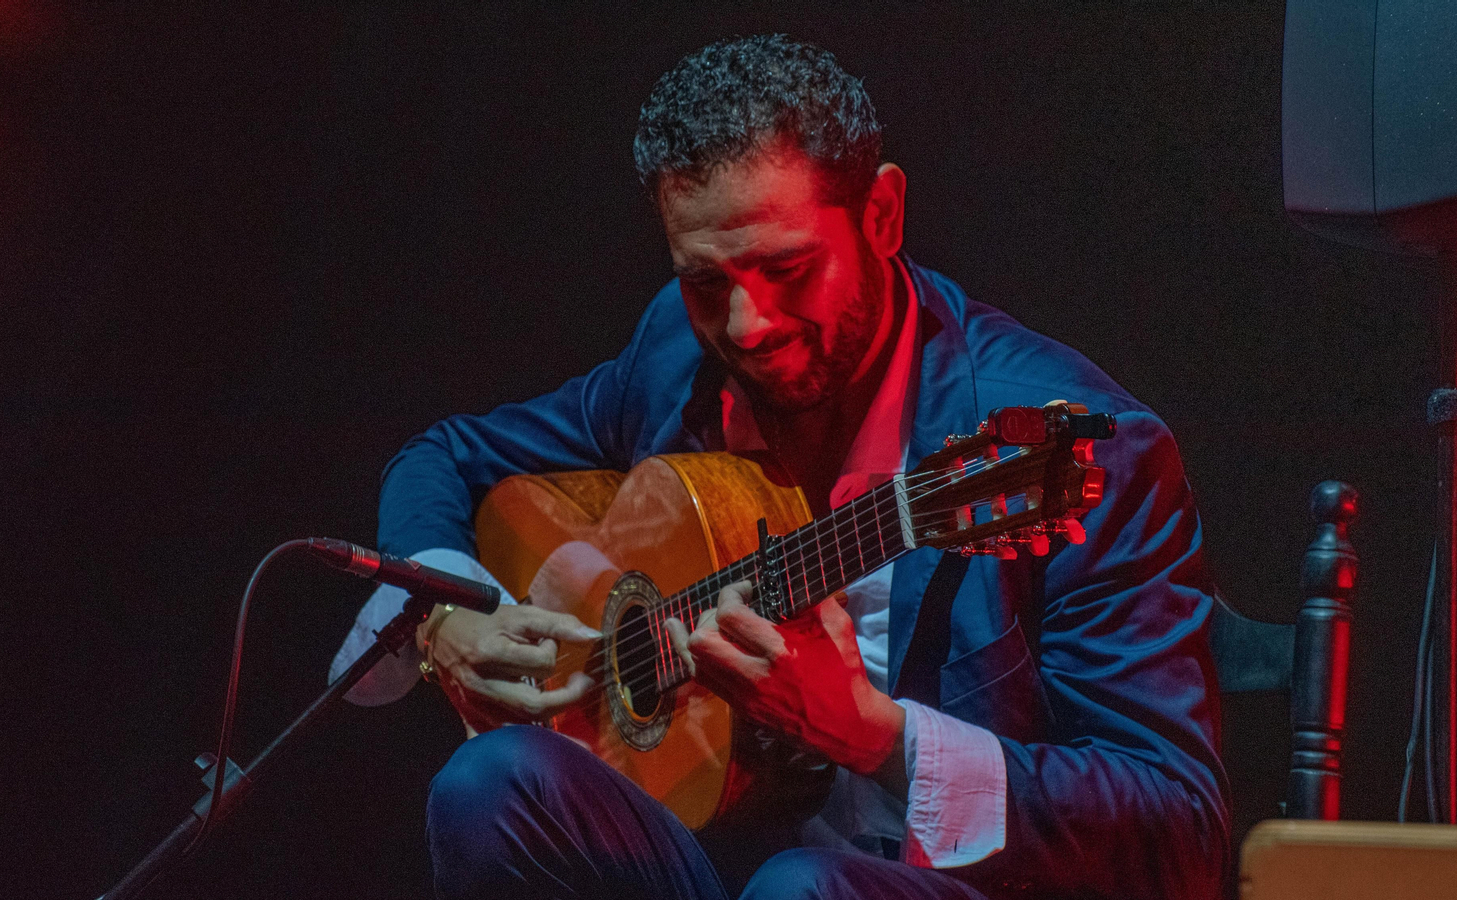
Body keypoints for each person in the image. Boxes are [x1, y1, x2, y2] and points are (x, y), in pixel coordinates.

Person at [331, 34, 1229, 900]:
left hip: (949, 887)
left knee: (804, 888)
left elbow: (1179, 833)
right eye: (706, 281)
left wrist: (879, 739)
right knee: (492, 783)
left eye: (786, 269)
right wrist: (440, 611)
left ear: (881, 215)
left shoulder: (1060, 448)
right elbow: (444, 457)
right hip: (731, 856)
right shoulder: (677, 357)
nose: (747, 325)